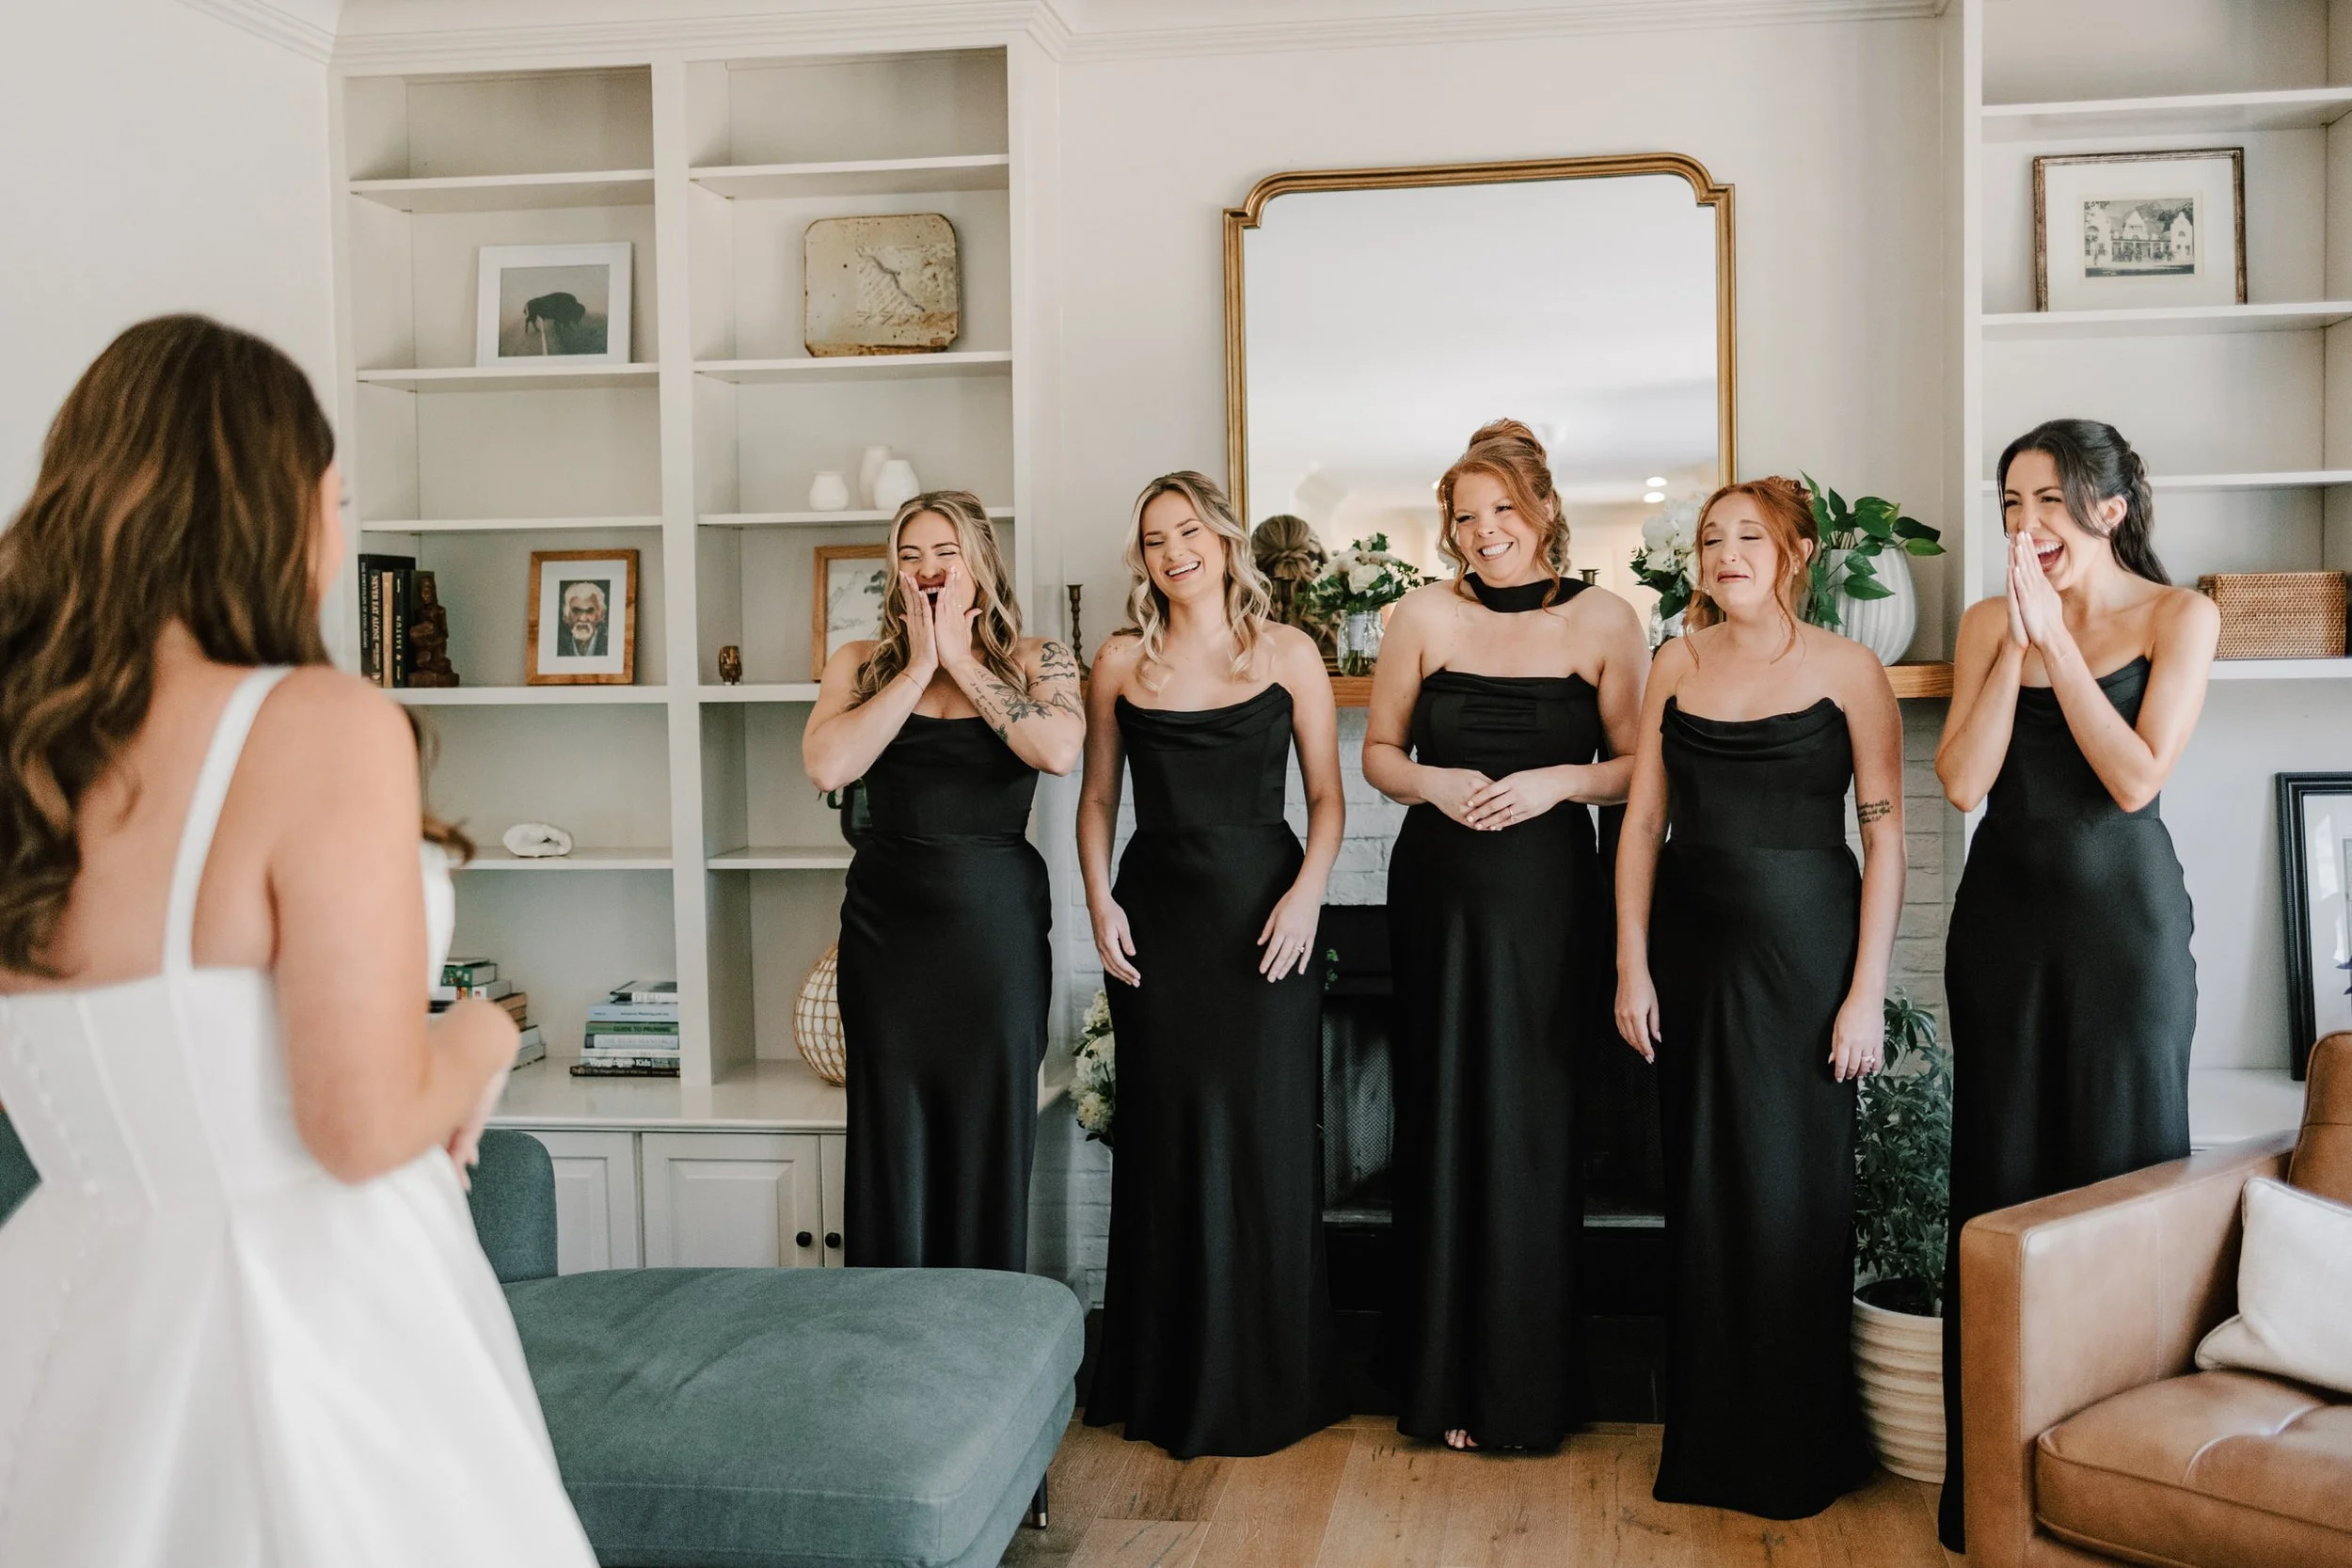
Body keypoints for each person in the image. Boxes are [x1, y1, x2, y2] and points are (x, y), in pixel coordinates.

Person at [0, 315, 594, 1564]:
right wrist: (485, 1032)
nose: (335, 535)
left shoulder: (26, 746)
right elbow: (360, 1120)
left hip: (68, 1300)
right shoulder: (315, 722)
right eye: (334, 497)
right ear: (271, 506)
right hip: (310, 1309)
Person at [1932, 420, 2216, 1552]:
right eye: (2009, 502)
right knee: (1997, 1198)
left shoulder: (2177, 615)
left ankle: (2123, 1494)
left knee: (2122, 1196)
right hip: (2000, 937)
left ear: (2106, 507)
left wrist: (2059, 641)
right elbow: (1960, 782)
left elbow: (2137, 778)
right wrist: (2017, 645)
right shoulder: (1985, 622)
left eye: (2047, 499)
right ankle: (1990, 1497)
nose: (2024, 523)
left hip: (2125, 943)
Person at [1615, 476, 1900, 1519]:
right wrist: (1630, 963)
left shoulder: (1850, 668)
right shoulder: (1671, 665)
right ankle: (1709, 1446)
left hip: (1809, 962)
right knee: (1702, 1191)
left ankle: (1797, 1450)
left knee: (1794, 1193)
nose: (1724, 552)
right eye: (1708, 538)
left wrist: (1865, 990)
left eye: (1747, 536)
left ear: (1793, 554)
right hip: (1690, 962)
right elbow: (1643, 823)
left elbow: (1885, 832)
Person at [1363, 419, 1646, 1452]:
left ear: (1543, 513)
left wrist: (1559, 780)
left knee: (1532, 1124)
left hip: (1548, 894)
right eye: (1465, 514)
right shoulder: (1418, 615)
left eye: (1502, 511)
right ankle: (1440, 1385)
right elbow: (1380, 755)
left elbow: (1637, 769)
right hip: (1438, 889)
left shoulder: (1608, 621)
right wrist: (1430, 779)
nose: (1484, 531)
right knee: (1441, 1118)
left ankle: (1525, 1387)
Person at [1077, 470, 1348, 1458]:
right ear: (1141, 558)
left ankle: (1271, 1380)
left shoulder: (1287, 652)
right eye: (1153, 538)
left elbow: (1326, 797)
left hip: (1266, 914)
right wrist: (1099, 896)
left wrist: (1309, 890)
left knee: (1266, 1138)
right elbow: (1100, 798)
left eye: (1188, 530)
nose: (1173, 550)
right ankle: (1168, 1378)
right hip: (1157, 919)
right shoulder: (1117, 661)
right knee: (1167, 1141)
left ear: (1224, 540)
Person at [803, 491, 1082, 1272]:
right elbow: (829, 763)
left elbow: (1057, 750)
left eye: (945, 552)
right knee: (891, 1140)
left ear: (980, 561)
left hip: (996, 936)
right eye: (909, 555)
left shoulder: (1037, 658)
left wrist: (960, 658)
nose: (927, 570)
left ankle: (985, 1353)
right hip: (887, 939)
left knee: (990, 1138)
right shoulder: (859, 663)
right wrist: (922, 662)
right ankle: (888, 1351)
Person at [560, 580, 608, 657]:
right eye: (576, 611)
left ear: (601, 615)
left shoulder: (609, 644)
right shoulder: (558, 645)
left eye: (590, 611)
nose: (583, 619)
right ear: (566, 616)